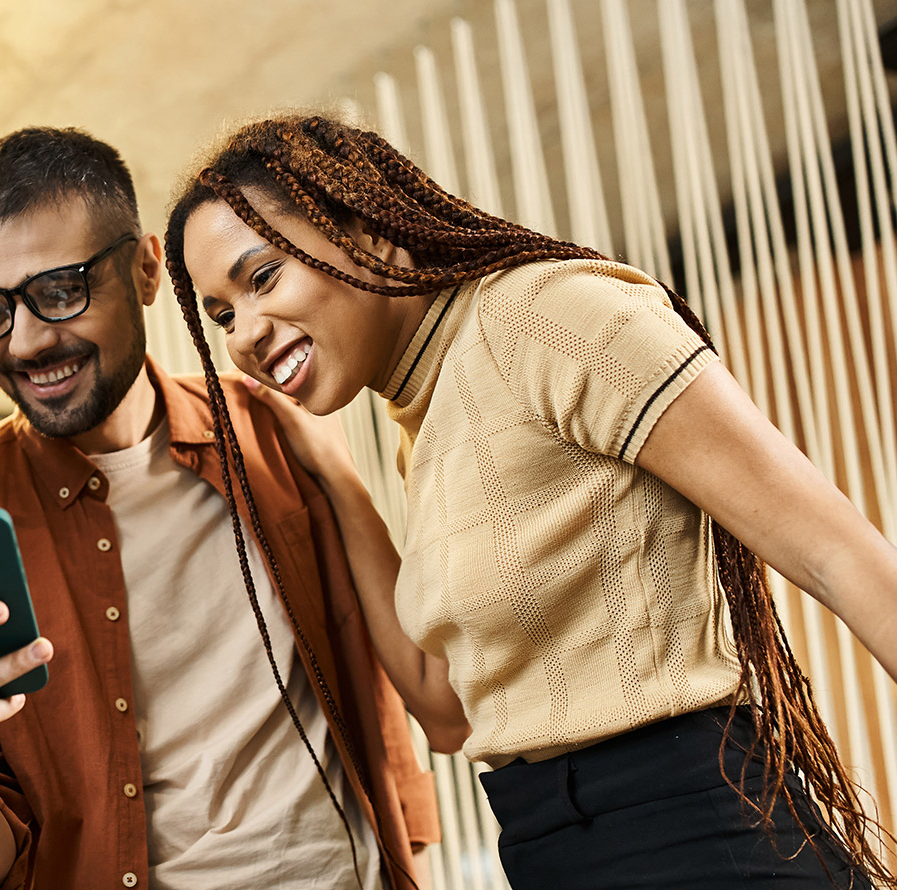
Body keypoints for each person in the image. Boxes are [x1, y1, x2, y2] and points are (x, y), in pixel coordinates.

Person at [164, 113, 897, 888]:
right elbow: (446, 710)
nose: (242, 333)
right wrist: (338, 479)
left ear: (368, 230)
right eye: (221, 315)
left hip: (685, 826)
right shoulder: (429, 411)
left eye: (261, 277)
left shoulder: (545, 316)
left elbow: (834, 552)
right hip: (549, 843)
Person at [0, 126, 444, 890]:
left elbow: (378, 689)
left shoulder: (269, 431)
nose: (27, 341)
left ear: (143, 270)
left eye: (60, 291)